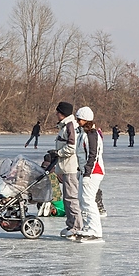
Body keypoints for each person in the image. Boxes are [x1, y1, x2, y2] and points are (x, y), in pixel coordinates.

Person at [51, 102, 84, 238]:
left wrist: (58, 153)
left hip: (70, 168)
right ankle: (70, 224)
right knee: (67, 198)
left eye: (58, 112)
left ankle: (76, 227)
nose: (56, 114)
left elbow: (71, 147)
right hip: (65, 167)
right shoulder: (65, 126)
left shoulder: (70, 126)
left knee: (71, 198)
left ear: (62, 113)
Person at [74, 106, 105, 241]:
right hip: (84, 172)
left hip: (93, 172)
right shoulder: (82, 134)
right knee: (82, 200)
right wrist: (79, 171)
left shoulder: (92, 135)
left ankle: (95, 230)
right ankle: (88, 227)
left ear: (85, 120)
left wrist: (87, 174)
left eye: (79, 119)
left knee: (88, 201)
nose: (77, 121)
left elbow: (93, 155)